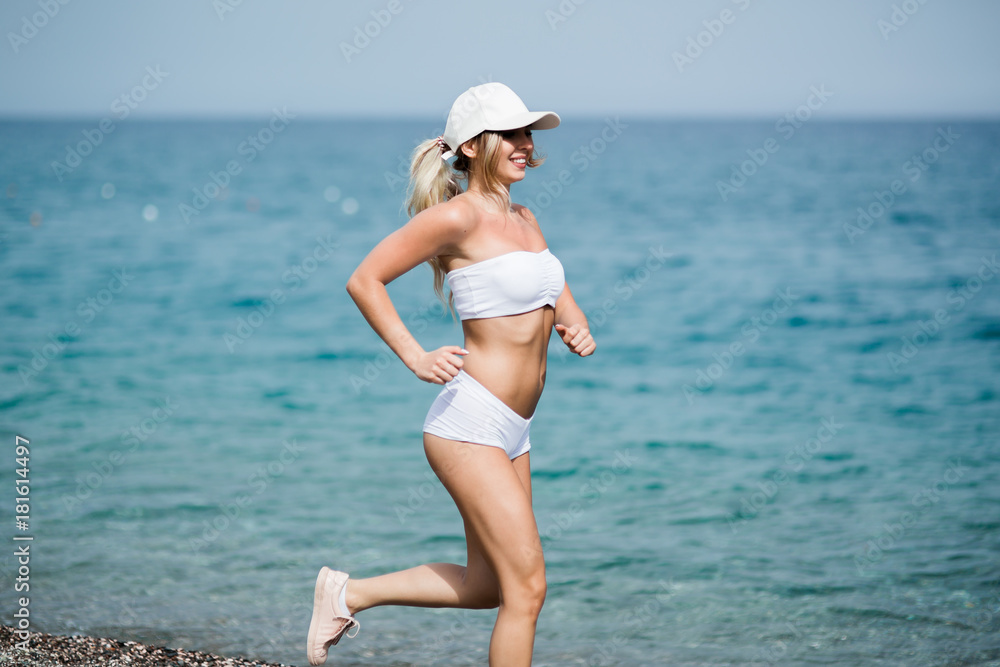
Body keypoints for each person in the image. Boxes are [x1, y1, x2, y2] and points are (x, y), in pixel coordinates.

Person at [307, 82, 596, 666]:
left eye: (527, 133)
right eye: (510, 133)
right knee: (528, 589)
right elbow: (364, 280)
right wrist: (415, 356)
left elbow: (548, 283)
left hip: (515, 428)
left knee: (491, 587)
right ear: (470, 146)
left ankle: (348, 594)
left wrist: (575, 321)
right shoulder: (456, 217)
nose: (525, 143)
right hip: (469, 425)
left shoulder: (525, 216)